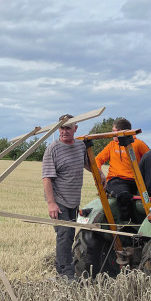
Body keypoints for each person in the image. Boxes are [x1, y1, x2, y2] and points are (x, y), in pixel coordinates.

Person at [41, 114, 87, 279]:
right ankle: (65, 273)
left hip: (74, 199)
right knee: (65, 234)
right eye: (61, 127)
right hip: (59, 200)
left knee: (69, 235)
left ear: (75, 129)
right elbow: (47, 177)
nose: (64, 131)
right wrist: (51, 203)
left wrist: (101, 175)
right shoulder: (52, 149)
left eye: (68, 127)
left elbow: (87, 163)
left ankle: (65, 267)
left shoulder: (80, 146)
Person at [94, 117, 151, 218]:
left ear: (122, 131)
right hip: (116, 180)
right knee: (124, 195)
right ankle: (126, 222)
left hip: (136, 181)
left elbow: (150, 159)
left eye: (114, 131)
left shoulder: (138, 144)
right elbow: (97, 160)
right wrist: (99, 175)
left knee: (148, 197)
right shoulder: (111, 145)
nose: (112, 134)